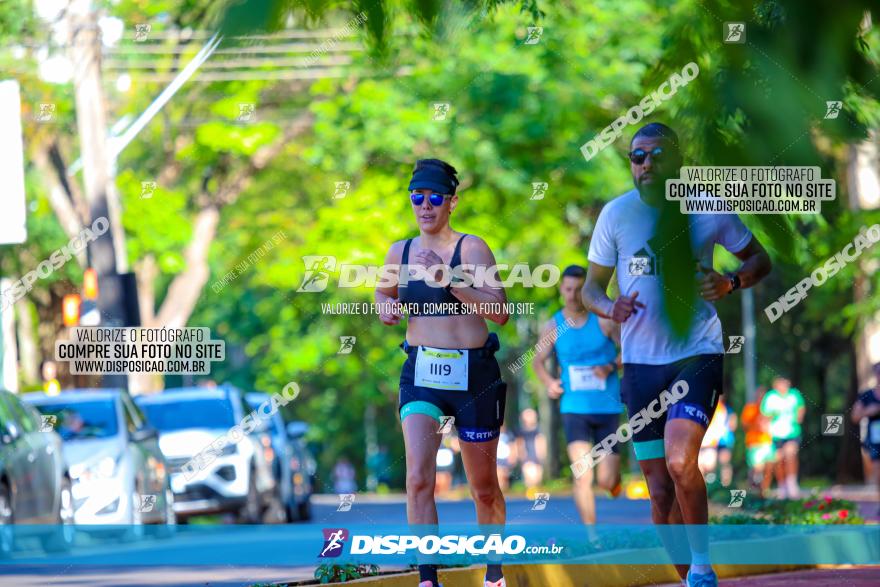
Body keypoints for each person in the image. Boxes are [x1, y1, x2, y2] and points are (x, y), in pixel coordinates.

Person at [582, 122, 772, 587]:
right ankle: (689, 577)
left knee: (681, 461)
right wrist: (611, 306)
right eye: (637, 156)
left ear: (678, 159)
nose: (646, 164)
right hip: (641, 366)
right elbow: (590, 287)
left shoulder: (709, 207)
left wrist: (731, 281)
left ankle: (703, 567)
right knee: (660, 493)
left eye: (656, 154)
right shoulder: (616, 215)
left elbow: (759, 260)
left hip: (697, 353)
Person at [375, 158, 510, 587]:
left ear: (451, 202)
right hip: (422, 375)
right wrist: (387, 307)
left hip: (473, 376)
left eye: (435, 197)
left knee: (483, 487)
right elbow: (382, 290)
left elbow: (501, 312)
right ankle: (428, 577)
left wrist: (449, 278)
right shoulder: (400, 252)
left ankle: (493, 574)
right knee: (417, 478)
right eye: (417, 197)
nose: (425, 205)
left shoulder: (471, 249)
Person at [532, 264, 623, 527]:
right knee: (582, 474)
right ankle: (592, 537)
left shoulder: (604, 320)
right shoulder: (554, 325)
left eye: (578, 289)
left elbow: (629, 351)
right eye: (568, 289)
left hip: (607, 407)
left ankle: (614, 483)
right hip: (574, 408)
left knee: (606, 480)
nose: (572, 295)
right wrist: (549, 382)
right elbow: (538, 361)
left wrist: (610, 366)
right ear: (561, 289)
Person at [761, 376, 805, 498]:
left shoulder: (794, 395)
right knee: (778, 459)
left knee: (790, 454)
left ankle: (792, 483)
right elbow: (765, 416)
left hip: (792, 433)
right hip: (776, 435)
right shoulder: (770, 397)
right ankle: (782, 484)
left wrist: (799, 417)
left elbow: (801, 408)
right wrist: (766, 429)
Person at [851, 362, 880, 516]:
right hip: (876, 438)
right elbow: (854, 417)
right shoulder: (867, 395)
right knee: (878, 470)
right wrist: (869, 411)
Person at [741, 386, 775, 496]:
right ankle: (755, 489)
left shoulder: (770, 411)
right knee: (757, 468)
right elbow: (744, 426)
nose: (761, 398)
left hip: (768, 442)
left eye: (763, 396)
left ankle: (764, 490)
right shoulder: (750, 409)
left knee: (769, 467)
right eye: (759, 396)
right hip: (754, 443)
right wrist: (756, 422)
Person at [516, 408, 546, 490]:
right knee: (530, 478)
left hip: (537, 457)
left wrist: (542, 454)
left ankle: (536, 494)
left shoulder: (538, 430)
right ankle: (530, 496)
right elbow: (519, 443)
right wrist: (521, 455)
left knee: (537, 479)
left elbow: (541, 441)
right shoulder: (521, 431)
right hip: (527, 457)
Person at [495, 424, 516, 491]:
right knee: (498, 475)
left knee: (505, 476)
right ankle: (500, 490)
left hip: (506, 459)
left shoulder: (509, 434)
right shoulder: (493, 433)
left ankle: (506, 490)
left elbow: (512, 445)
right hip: (496, 459)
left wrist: (513, 457)